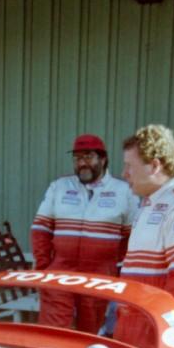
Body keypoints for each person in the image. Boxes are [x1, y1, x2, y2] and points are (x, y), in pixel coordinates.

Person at [115, 124, 174, 348]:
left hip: (156, 332)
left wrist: (164, 340)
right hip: (132, 324)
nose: (123, 174)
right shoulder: (147, 205)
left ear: (155, 166)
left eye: (129, 166)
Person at [31, 134, 138, 332]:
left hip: (99, 275)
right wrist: (45, 267)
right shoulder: (59, 187)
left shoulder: (124, 191)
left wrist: (113, 267)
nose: (82, 163)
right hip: (60, 272)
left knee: (88, 334)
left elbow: (131, 237)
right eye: (77, 159)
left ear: (103, 159)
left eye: (88, 157)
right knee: (52, 331)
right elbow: (40, 230)